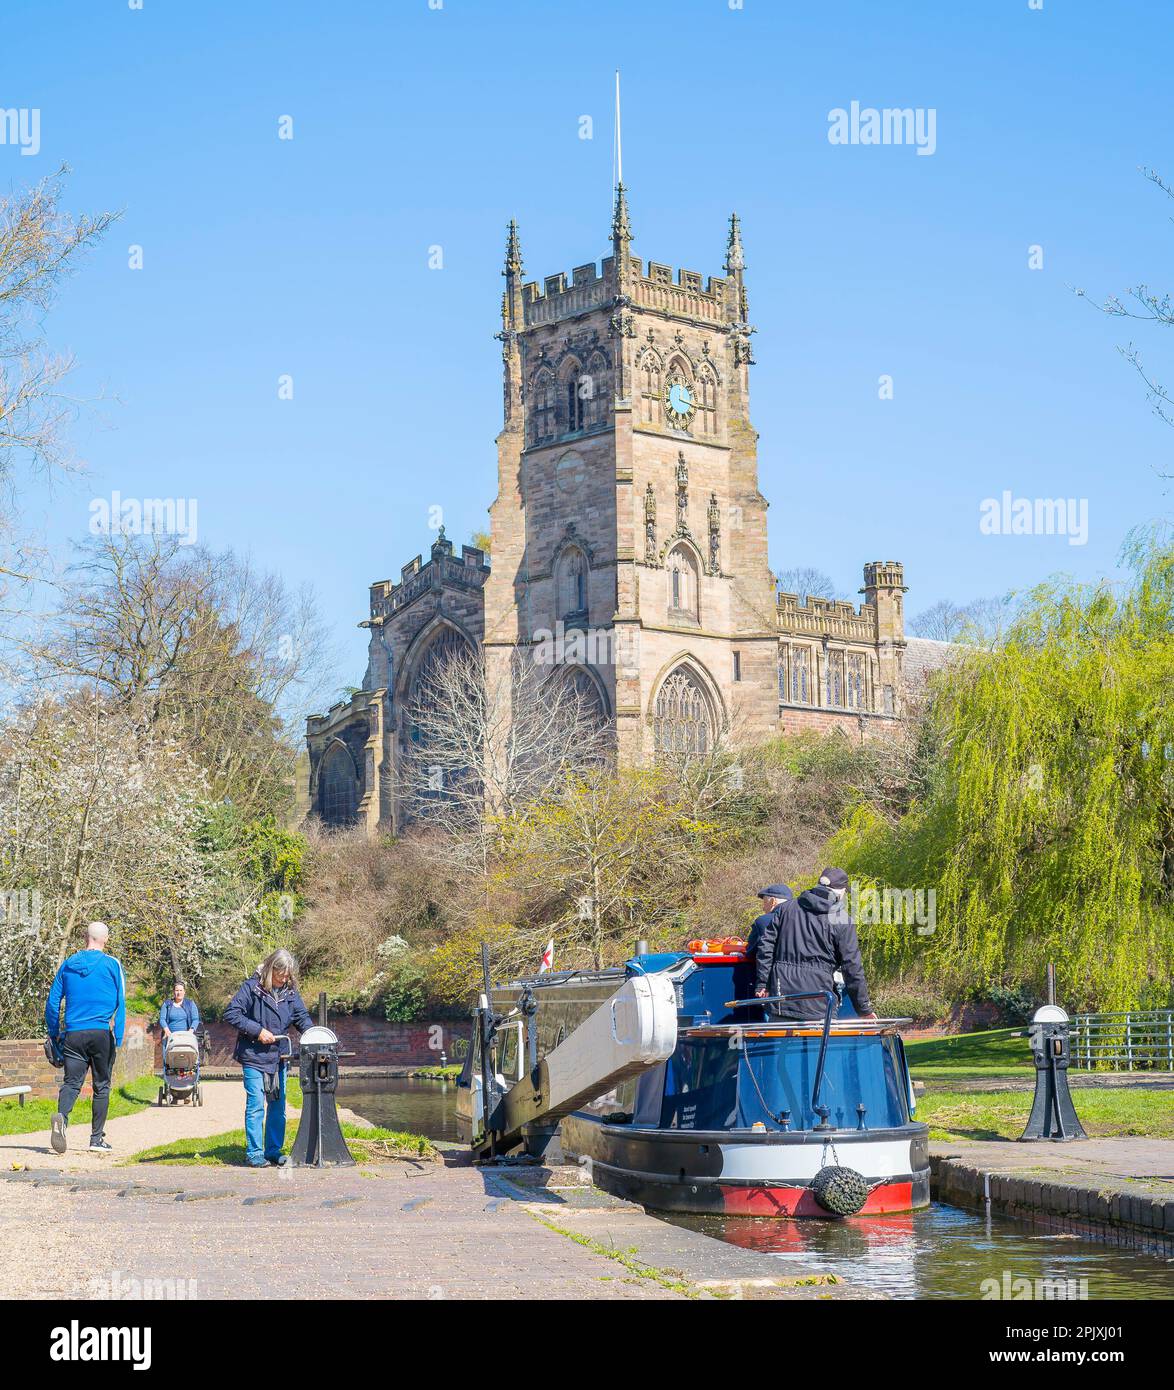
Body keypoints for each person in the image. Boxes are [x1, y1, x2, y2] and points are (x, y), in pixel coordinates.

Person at [223, 948, 314, 1169]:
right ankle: (254, 1153)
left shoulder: (290, 992)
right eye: (280, 975)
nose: (283, 980)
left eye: (287, 976)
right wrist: (257, 1030)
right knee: (255, 1105)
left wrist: (313, 1035)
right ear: (271, 969)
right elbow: (232, 1013)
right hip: (254, 1055)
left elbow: (301, 1017)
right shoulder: (251, 988)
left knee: (278, 1106)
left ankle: (273, 1150)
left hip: (279, 1057)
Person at [44, 921, 127, 1155]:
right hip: (101, 1033)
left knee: (71, 1083)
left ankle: (62, 1119)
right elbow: (122, 1002)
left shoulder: (68, 964)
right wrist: (117, 1037)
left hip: (73, 1034)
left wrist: (54, 1033)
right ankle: (96, 1139)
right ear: (106, 939)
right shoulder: (113, 964)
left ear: (85, 937)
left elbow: (52, 1003)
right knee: (102, 1086)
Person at [754, 867, 877, 1022]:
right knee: (820, 1047)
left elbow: (766, 948)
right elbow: (852, 967)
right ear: (840, 892)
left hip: (782, 1001)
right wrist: (863, 1009)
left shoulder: (785, 909)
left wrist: (762, 983)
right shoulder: (842, 920)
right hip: (819, 1004)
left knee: (782, 1045)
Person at [746, 883, 793, 961]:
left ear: (772, 901)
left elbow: (750, 952)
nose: (763, 908)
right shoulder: (804, 919)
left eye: (764, 903)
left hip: (775, 971)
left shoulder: (763, 921)